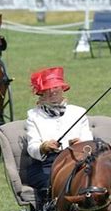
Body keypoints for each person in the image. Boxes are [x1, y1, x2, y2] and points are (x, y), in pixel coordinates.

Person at [25, 67, 93, 200]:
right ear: (41, 93)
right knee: (51, 183)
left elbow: (89, 141)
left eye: (56, 87)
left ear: (62, 89)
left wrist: (80, 144)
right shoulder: (33, 116)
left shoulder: (79, 112)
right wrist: (43, 147)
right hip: (47, 164)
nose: (52, 91)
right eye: (47, 89)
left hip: (77, 161)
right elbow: (32, 146)